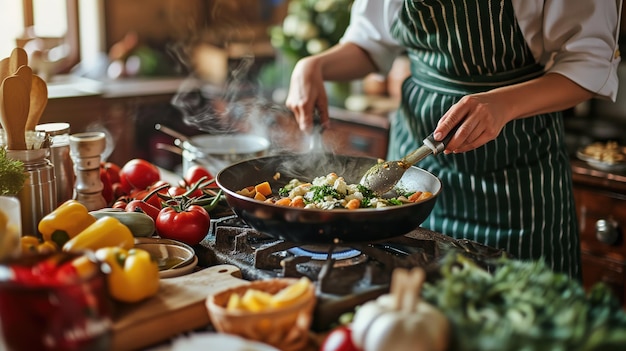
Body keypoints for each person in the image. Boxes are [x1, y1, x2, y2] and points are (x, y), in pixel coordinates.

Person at [285, 0, 622, 278]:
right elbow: (372, 43)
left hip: (518, 174)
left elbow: (589, 64)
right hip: (411, 173)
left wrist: (503, 103)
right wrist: (314, 65)